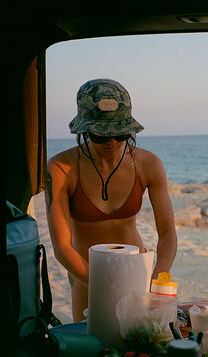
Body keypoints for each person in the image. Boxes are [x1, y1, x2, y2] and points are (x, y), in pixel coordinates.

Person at [46, 78, 177, 322]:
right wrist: (102, 283)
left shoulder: (148, 164)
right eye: (101, 136)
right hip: (86, 272)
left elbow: (168, 232)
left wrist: (160, 275)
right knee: (94, 350)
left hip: (138, 270)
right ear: (84, 130)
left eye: (121, 134)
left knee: (141, 347)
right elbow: (62, 248)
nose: (113, 143)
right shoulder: (61, 168)